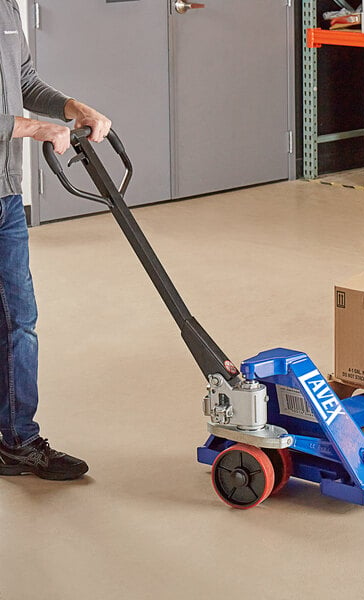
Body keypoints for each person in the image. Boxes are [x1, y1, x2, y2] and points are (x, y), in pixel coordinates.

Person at [0, 0, 111, 480]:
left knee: (18, 321)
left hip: (4, 194)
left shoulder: (7, 8)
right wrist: (34, 128)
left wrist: (71, 107)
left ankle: (18, 441)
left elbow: (22, 81)